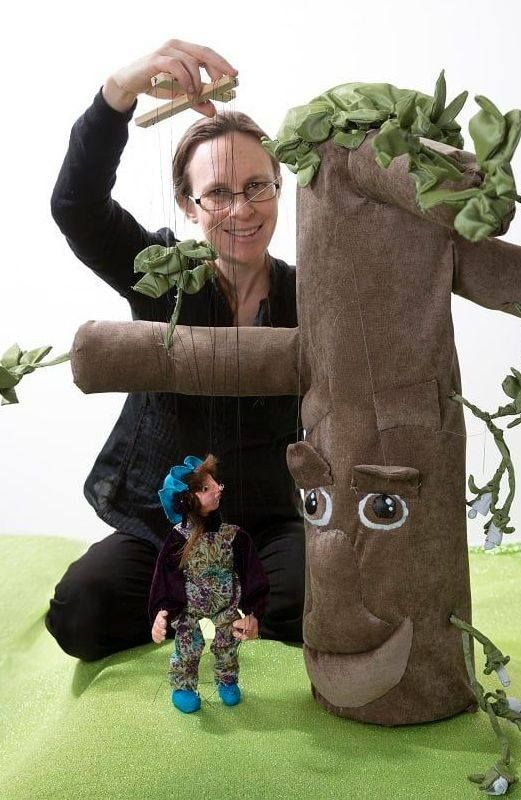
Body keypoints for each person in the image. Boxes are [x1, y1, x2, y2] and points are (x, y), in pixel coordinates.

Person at [46, 41, 304, 661]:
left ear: (278, 188)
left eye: (257, 186)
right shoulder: (165, 277)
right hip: (163, 527)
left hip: (263, 527)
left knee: (316, 598)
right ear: (189, 206)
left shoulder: (308, 294)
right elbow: (76, 207)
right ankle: (193, 597)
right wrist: (120, 90)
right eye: (217, 193)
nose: (240, 209)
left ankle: (221, 600)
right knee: (80, 612)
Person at [150, 454, 269, 713]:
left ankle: (227, 680)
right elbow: (166, 576)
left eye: (215, 483)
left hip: (226, 601)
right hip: (188, 604)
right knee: (187, 643)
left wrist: (253, 612)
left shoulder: (235, 537)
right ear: (187, 499)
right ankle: (183, 685)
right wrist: (162, 611)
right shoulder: (178, 538)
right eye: (205, 488)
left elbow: (252, 574)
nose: (217, 489)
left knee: (227, 641)